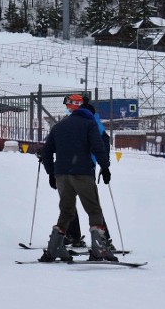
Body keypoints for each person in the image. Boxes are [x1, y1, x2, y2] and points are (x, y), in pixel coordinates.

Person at [39, 93, 115, 262]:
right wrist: (105, 167)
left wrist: (51, 172)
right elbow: (98, 147)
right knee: (94, 209)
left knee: (66, 211)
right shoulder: (89, 124)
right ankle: (99, 249)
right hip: (82, 173)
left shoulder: (59, 126)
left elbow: (46, 152)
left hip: (61, 175)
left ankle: (55, 248)